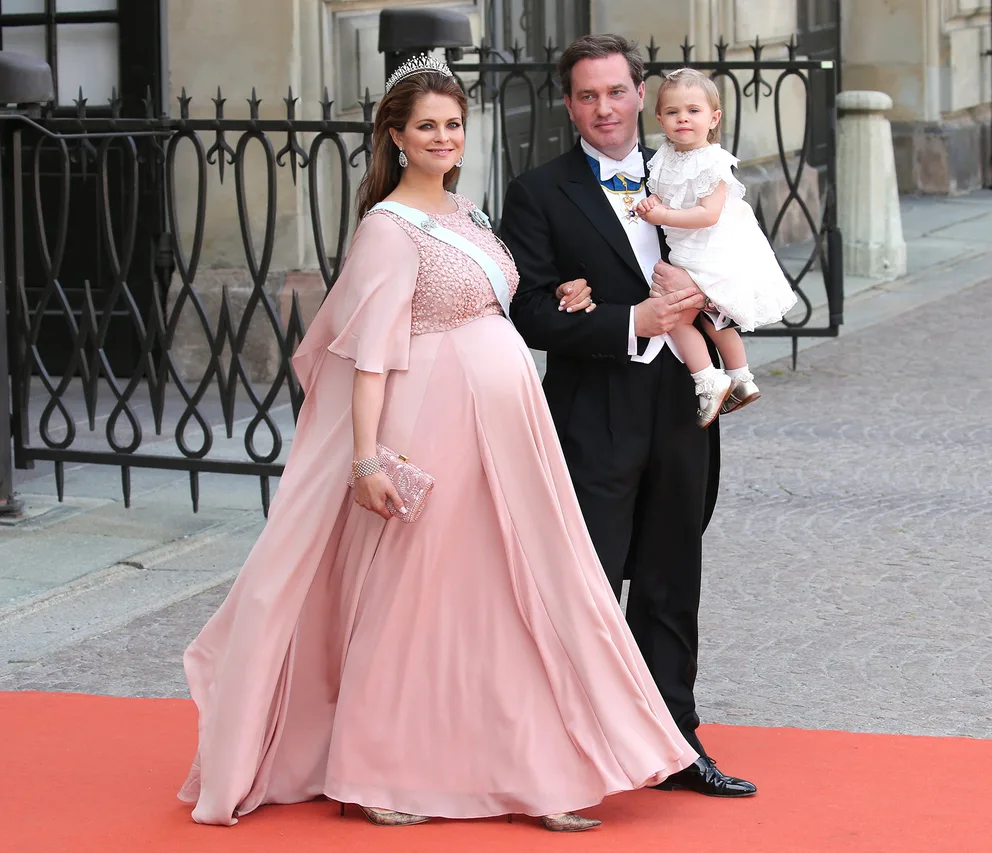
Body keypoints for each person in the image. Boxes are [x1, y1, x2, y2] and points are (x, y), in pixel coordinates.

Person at [177, 54, 700, 832]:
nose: (443, 138)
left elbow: (501, 301)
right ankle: (375, 769)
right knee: (414, 602)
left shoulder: (471, 214)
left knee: (512, 596)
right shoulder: (387, 229)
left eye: (453, 124)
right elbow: (370, 357)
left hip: (509, 435)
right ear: (396, 135)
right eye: (426, 126)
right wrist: (367, 459)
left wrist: (567, 293)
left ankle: (537, 772)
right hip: (433, 427)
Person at [501, 34, 756, 797]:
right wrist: (626, 320)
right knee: (588, 581)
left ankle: (676, 743)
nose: (604, 108)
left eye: (616, 92)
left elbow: (737, 259)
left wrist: (708, 299)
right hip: (594, 409)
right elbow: (529, 312)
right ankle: (571, 747)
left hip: (683, 403)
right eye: (587, 95)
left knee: (672, 575)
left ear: (641, 94)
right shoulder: (537, 192)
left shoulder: (691, 167)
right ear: (568, 104)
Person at [635, 68, 797, 427]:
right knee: (713, 318)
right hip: (687, 248)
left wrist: (663, 215)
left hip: (710, 251)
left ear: (713, 118)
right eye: (673, 112)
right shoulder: (665, 156)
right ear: (659, 118)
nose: (683, 119)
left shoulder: (713, 161)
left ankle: (709, 380)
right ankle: (741, 378)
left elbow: (708, 214)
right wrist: (652, 203)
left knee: (674, 319)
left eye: (693, 111)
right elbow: (664, 191)